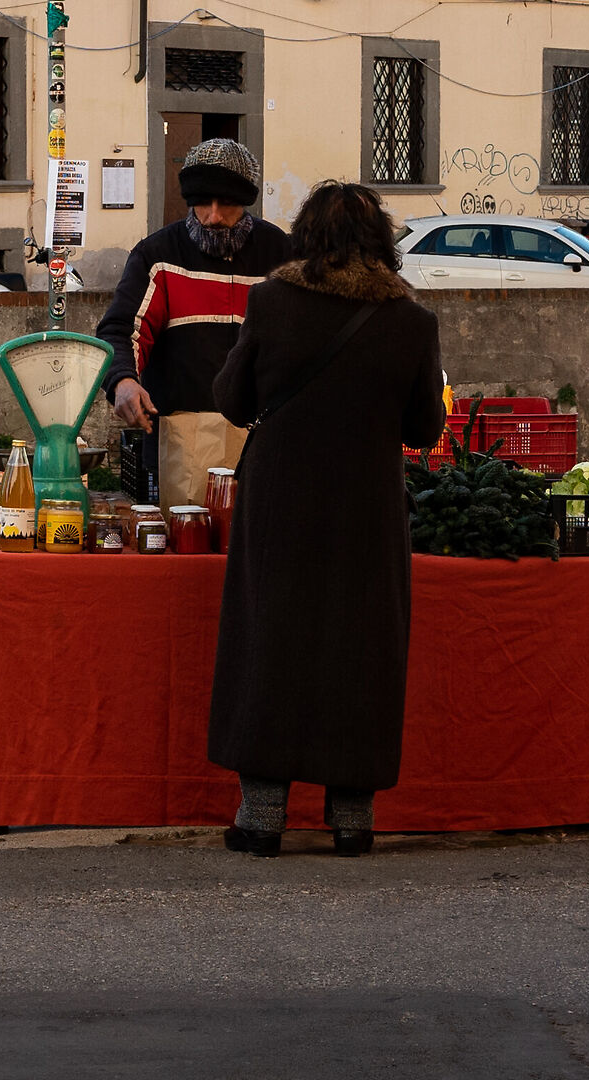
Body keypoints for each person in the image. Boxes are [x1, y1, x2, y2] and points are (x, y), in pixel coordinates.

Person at [207, 181, 447, 857]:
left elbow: (232, 399)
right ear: (382, 242)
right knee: (360, 647)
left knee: (271, 639)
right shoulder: (413, 323)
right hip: (367, 509)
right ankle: (352, 820)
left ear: (306, 238)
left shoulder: (271, 302)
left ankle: (262, 817)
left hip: (279, 504)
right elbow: (424, 428)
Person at [95, 138, 293, 506]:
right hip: (178, 440)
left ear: (246, 201)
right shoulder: (157, 255)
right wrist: (122, 380)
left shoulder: (280, 254)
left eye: (227, 204)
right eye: (203, 202)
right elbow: (121, 330)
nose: (213, 216)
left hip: (264, 441)